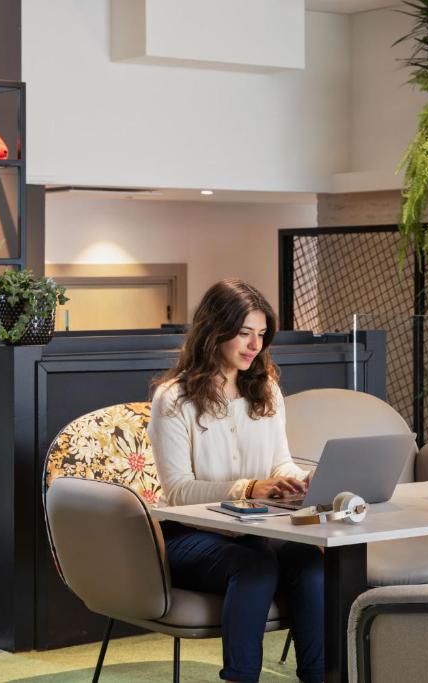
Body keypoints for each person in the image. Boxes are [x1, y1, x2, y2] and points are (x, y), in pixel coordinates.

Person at [148, 278, 323, 683]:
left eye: (261, 334)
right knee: (255, 567)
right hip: (188, 534)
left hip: (256, 529)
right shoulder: (173, 399)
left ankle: (319, 676)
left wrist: (301, 481)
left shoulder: (266, 390)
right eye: (245, 333)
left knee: (311, 563)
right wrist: (247, 488)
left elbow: (279, 463)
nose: (255, 345)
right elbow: (178, 491)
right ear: (215, 330)